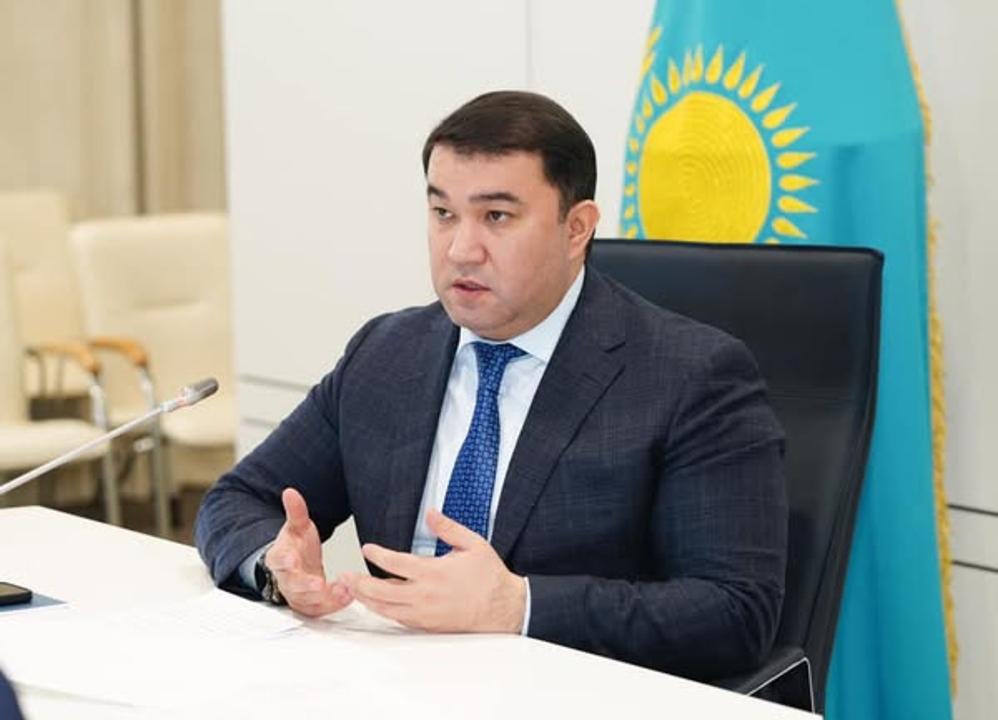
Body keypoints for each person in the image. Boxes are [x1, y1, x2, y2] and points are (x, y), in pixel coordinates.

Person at [195, 90, 788, 681]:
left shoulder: (691, 376)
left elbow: (735, 612)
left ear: (577, 228)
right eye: (443, 213)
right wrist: (274, 564)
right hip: (391, 685)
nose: (460, 249)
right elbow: (239, 498)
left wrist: (518, 606)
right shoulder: (387, 353)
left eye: (496, 217)